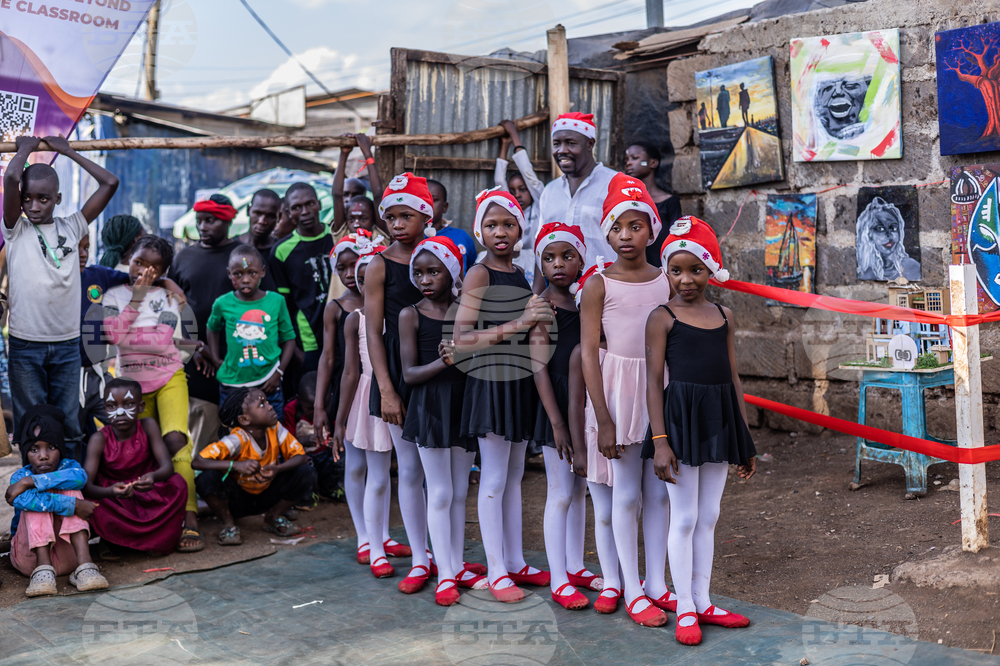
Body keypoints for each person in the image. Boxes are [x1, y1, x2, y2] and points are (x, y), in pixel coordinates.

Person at [645, 216, 756, 645]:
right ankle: (684, 608)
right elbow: (654, 382)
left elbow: (733, 376)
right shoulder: (662, 316)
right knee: (686, 516)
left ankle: (704, 599)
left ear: (712, 271)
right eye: (676, 270)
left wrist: (742, 438)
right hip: (680, 423)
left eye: (696, 269)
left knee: (709, 515)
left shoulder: (725, 315)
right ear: (667, 271)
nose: (686, 279)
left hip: (719, 419)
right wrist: (659, 442)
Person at [579, 173, 672, 628]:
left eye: (636, 226)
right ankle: (631, 588)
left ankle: (656, 581)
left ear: (652, 229)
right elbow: (588, 356)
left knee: (659, 493)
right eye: (617, 227)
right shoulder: (598, 285)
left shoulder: (666, 281)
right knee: (626, 493)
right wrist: (604, 417)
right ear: (607, 232)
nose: (626, 235)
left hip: (661, 391)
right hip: (618, 392)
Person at [456, 188, 551, 603]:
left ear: (520, 229)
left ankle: (514, 561)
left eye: (508, 224)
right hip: (491, 382)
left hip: (518, 381)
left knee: (514, 475)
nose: (500, 232)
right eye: (491, 225)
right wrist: (521, 321)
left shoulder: (522, 270)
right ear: (479, 230)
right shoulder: (480, 273)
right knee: (493, 478)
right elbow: (460, 339)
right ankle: (496, 571)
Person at [2, 135, 119, 458]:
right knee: (32, 425)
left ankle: (68, 501)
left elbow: (110, 182)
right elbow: (12, 178)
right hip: (26, 345)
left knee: (68, 427)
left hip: (68, 345)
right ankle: (30, 506)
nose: (34, 206)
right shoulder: (16, 230)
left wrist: (66, 151)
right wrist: (26, 148)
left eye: (43, 199)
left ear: (58, 198)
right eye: (28, 199)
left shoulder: (74, 226)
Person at [102, 234, 203, 552]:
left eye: (153, 268)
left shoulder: (169, 298)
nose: (143, 270)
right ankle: (148, 522)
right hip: (131, 386)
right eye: (138, 262)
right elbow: (114, 335)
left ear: (161, 273)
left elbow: (161, 343)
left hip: (169, 376)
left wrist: (133, 327)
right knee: (140, 453)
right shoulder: (113, 295)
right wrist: (137, 300)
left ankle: (190, 519)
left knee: (177, 443)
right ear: (128, 258)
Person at [400, 236, 480, 606]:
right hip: (429, 406)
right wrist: (445, 361)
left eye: (434, 271)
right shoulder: (410, 315)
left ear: (452, 273)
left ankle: (456, 564)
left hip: (463, 405)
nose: (425, 279)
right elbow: (410, 374)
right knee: (441, 491)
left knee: (460, 492)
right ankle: (444, 574)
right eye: (418, 272)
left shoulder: (466, 310)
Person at [528, 223, 602, 610]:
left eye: (567, 256)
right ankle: (559, 577)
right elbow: (538, 367)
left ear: (581, 259)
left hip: (583, 402)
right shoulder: (542, 306)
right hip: (554, 405)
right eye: (549, 258)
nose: (558, 264)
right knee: (559, 492)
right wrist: (556, 423)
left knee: (580, 489)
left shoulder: (586, 301)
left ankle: (575, 565)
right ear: (540, 263)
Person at [368, 173, 435, 593]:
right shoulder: (379, 264)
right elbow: (373, 332)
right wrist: (387, 389)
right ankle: (421, 557)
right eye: (389, 217)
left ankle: (445, 554)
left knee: (442, 471)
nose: (396, 224)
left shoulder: (442, 255)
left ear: (426, 215)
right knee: (409, 468)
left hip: (437, 367)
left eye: (405, 215)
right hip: (397, 371)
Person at [331, 246, 408, 575]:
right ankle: (366, 538)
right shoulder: (355, 319)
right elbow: (349, 371)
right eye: (358, 279)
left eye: (368, 278)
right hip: (364, 397)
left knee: (382, 473)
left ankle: (381, 535)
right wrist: (339, 417)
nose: (361, 284)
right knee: (358, 466)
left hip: (388, 395)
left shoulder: (400, 315)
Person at [6, 405, 108, 596]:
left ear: (61, 448)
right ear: (26, 452)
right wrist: (73, 506)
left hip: (69, 557)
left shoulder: (69, 468)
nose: (43, 456)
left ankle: (85, 567)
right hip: (30, 559)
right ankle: (43, 571)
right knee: (35, 502)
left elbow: (81, 477)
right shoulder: (19, 477)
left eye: (51, 447)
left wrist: (32, 481)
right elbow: (21, 499)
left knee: (70, 488)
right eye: (34, 449)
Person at [194, 387, 317, 545]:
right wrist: (236, 465)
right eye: (262, 404)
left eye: (267, 402)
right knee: (207, 479)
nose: (270, 406)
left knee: (307, 473)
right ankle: (228, 524)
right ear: (244, 420)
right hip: (237, 500)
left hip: (268, 495)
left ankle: (273, 516)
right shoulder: (236, 439)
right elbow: (198, 461)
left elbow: (300, 456)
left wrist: (278, 469)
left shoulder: (275, 429)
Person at [568, 262, 623, 615]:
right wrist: (578, 450)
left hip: (631, 434)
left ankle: (636, 579)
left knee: (630, 506)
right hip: (595, 436)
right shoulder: (582, 354)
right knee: (604, 511)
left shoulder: (630, 347)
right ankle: (612, 580)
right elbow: (575, 404)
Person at [84, 378, 188, 555]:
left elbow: (167, 467)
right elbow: (86, 486)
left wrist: (153, 477)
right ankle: (115, 541)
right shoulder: (99, 439)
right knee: (94, 505)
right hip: (115, 499)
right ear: (104, 410)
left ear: (140, 407)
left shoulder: (148, 426)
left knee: (179, 484)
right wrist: (110, 491)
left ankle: (151, 542)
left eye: (128, 404)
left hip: (147, 492)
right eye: (111, 406)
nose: (120, 412)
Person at [171, 194, 241, 456]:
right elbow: (171, 308)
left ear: (227, 220)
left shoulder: (241, 256)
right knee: (196, 424)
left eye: (210, 221)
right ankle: (195, 490)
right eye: (199, 221)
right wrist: (192, 347)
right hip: (194, 359)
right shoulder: (183, 258)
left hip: (234, 359)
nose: (203, 227)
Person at [205, 244, 296, 419]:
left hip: (269, 381)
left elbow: (289, 339)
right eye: (238, 274)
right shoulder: (222, 303)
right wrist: (216, 358)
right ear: (229, 274)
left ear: (262, 272)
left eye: (251, 273)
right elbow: (212, 328)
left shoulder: (276, 301)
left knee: (273, 433)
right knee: (234, 434)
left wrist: (279, 372)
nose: (245, 279)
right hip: (233, 384)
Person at [270, 182, 335, 373]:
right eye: (297, 207)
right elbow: (283, 305)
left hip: (344, 333)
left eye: (310, 204)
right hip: (308, 340)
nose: (305, 211)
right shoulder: (281, 251)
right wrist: (294, 350)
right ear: (289, 213)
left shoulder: (337, 238)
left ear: (320, 205)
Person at [539, 113, 617, 267]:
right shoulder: (550, 191)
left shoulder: (615, 185)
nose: (562, 150)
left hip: (607, 287)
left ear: (590, 144)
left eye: (570, 143)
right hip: (558, 289)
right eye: (556, 144)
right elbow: (542, 244)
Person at [495, 119, 545, 288]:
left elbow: (528, 173)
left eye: (522, 189)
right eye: (513, 190)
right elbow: (499, 183)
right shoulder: (512, 211)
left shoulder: (541, 204)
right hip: (515, 263)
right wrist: (505, 144)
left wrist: (514, 134)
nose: (517, 195)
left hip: (538, 266)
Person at [282, 371, 342, 502]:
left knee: (341, 457)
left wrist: (333, 443)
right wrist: (302, 441)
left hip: (326, 455)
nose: (317, 413)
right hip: (305, 456)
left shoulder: (335, 407)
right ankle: (307, 494)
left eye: (324, 407)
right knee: (302, 467)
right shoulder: (291, 410)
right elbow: (286, 442)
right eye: (310, 408)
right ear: (299, 400)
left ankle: (330, 489)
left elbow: (339, 432)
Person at [624, 142, 683, 267]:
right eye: (627, 159)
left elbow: (677, 240)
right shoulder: (625, 203)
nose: (628, 163)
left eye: (635, 158)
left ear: (652, 163)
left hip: (661, 271)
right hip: (632, 272)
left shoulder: (670, 202)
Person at [855, 197, 921, 281]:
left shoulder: (913, 268)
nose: (888, 235)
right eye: (880, 229)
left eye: (893, 228)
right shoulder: (865, 274)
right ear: (868, 234)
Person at [333, 133, 385, 235]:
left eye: (363, 219)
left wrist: (367, 153)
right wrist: (344, 153)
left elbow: (378, 196)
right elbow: (336, 195)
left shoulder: (378, 235)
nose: (356, 224)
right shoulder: (343, 232)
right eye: (351, 219)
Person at [425, 179, 477, 274]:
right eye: (423, 199)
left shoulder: (462, 236)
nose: (428, 205)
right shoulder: (411, 238)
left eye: (434, 200)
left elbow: (472, 269)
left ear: (445, 207)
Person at [239, 190, 282, 292]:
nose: (262, 221)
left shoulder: (281, 251)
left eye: (270, 216)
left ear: (279, 217)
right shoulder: (232, 248)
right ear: (248, 210)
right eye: (258, 213)